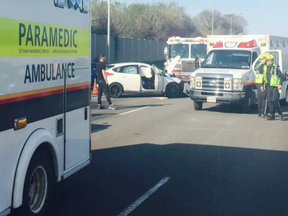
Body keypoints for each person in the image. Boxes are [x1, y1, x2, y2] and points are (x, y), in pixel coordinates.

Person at [262, 54, 284, 120]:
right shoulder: (265, 68)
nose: (270, 61)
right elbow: (264, 77)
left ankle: (280, 113)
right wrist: (262, 85)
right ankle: (272, 115)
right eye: (269, 60)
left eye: (271, 60)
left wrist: (280, 84)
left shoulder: (275, 68)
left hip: (275, 87)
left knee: (275, 100)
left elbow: (281, 76)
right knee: (269, 101)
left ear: (273, 60)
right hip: (268, 87)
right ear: (267, 61)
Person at [255, 53, 268, 117]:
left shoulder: (258, 65)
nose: (266, 59)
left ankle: (259, 112)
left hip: (257, 83)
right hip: (262, 83)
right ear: (263, 58)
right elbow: (265, 74)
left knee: (259, 98)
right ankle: (263, 112)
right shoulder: (264, 66)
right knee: (264, 98)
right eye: (266, 58)